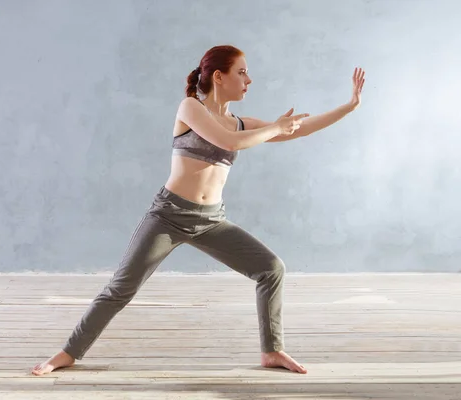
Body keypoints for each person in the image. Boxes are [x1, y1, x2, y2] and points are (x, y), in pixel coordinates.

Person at [31, 45, 365, 376]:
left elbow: (299, 129)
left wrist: (348, 107)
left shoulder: (240, 123)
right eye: (242, 72)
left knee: (271, 269)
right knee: (121, 289)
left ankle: (272, 351)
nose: (249, 79)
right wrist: (275, 128)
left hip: (211, 221)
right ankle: (67, 353)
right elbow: (229, 143)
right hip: (168, 216)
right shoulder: (190, 107)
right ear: (218, 77)